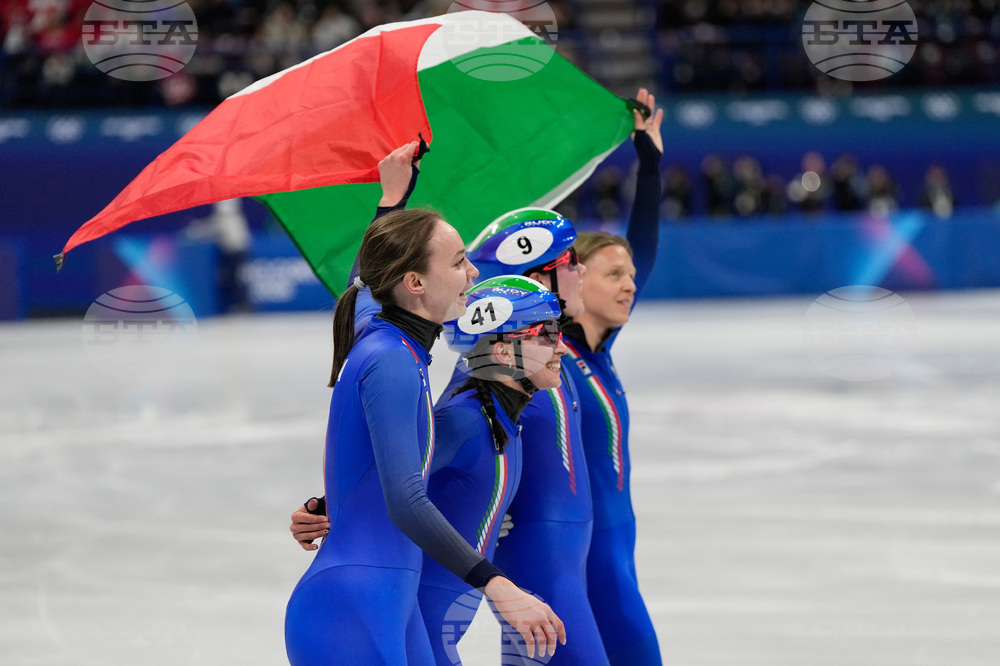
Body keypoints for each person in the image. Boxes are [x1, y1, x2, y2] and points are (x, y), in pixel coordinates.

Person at [283, 164, 565, 664]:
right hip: (355, 605)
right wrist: (498, 585)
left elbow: (364, 283)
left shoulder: (388, 337)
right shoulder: (389, 359)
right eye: (458, 262)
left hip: (385, 600)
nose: (473, 274)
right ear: (414, 282)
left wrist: (393, 196)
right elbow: (406, 500)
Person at [419, 275, 568, 664]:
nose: (561, 348)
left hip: (434, 626)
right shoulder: (463, 421)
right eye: (546, 334)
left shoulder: (501, 420)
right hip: (409, 629)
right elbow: (383, 484)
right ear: (502, 353)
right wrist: (324, 507)